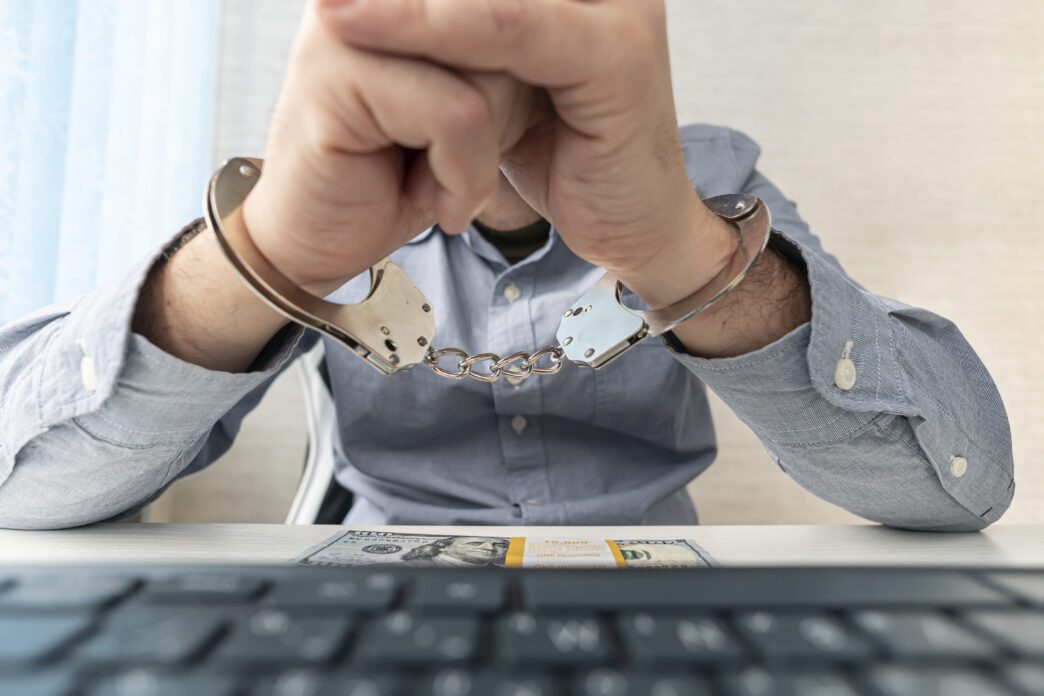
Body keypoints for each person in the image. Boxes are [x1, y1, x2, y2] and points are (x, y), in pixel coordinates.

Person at [0, 0, 1013, 531]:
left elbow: (958, 490)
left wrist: (676, 249)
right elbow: (23, 496)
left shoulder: (711, 182)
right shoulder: (319, 188)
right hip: (372, 589)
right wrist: (270, 255)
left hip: (657, 600)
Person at [400, 537, 510, 568]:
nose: (489, 547)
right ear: (443, 547)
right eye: (474, 543)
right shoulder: (407, 569)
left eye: (500, 545)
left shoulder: (505, 572)